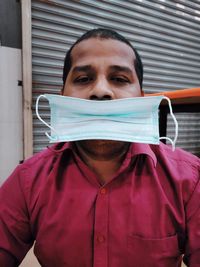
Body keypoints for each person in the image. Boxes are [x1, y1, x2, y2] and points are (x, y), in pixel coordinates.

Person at [0, 28, 199, 267]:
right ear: (63, 95)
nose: (101, 91)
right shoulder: (27, 181)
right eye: (84, 79)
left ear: (142, 98)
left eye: (119, 79)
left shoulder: (190, 180)